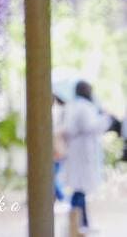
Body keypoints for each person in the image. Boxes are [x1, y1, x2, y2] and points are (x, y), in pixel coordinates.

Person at [61, 80, 114, 232]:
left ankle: (81, 222)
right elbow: (90, 126)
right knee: (79, 189)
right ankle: (80, 224)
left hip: (76, 150)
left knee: (79, 189)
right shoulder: (85, 107)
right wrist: (106, 118)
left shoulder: (71, 105)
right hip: (82, 151)